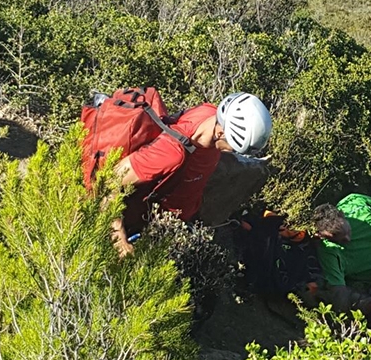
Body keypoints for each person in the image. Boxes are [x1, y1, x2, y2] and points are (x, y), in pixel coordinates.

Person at [110, 92, 273, 257]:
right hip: (148, 231)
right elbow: (110, 182)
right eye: (235, 147)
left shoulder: (210, 114)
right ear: (220, 134)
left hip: (183, 222)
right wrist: (119, 239)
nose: (233, 152)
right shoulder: (170, 154)